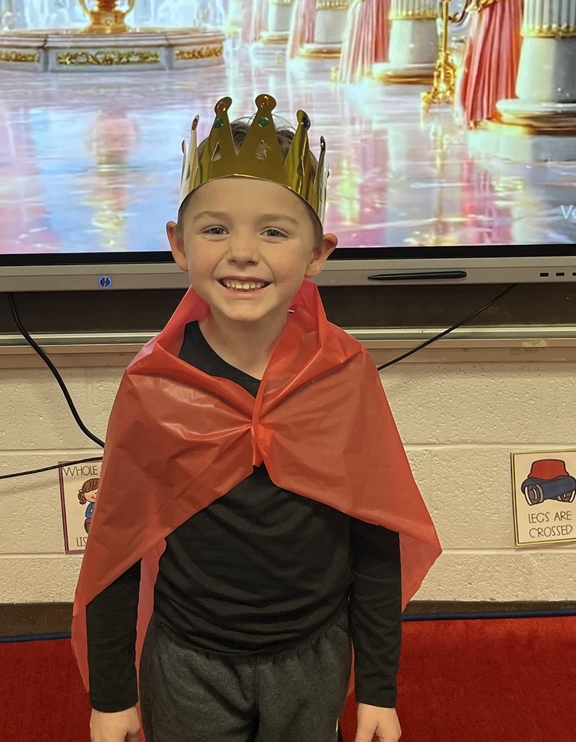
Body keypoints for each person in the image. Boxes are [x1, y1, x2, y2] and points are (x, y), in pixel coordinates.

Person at [72, 94, 441, 742]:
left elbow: (376, 533)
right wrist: (112, 695)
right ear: (178, 245)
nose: (242, 252)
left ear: (318, 253)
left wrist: (377, 688)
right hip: (189, 658)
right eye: (216, 229)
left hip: (313, 655)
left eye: (273, 230)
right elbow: (118, 545)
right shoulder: (155, 385)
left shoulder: (343, 374)